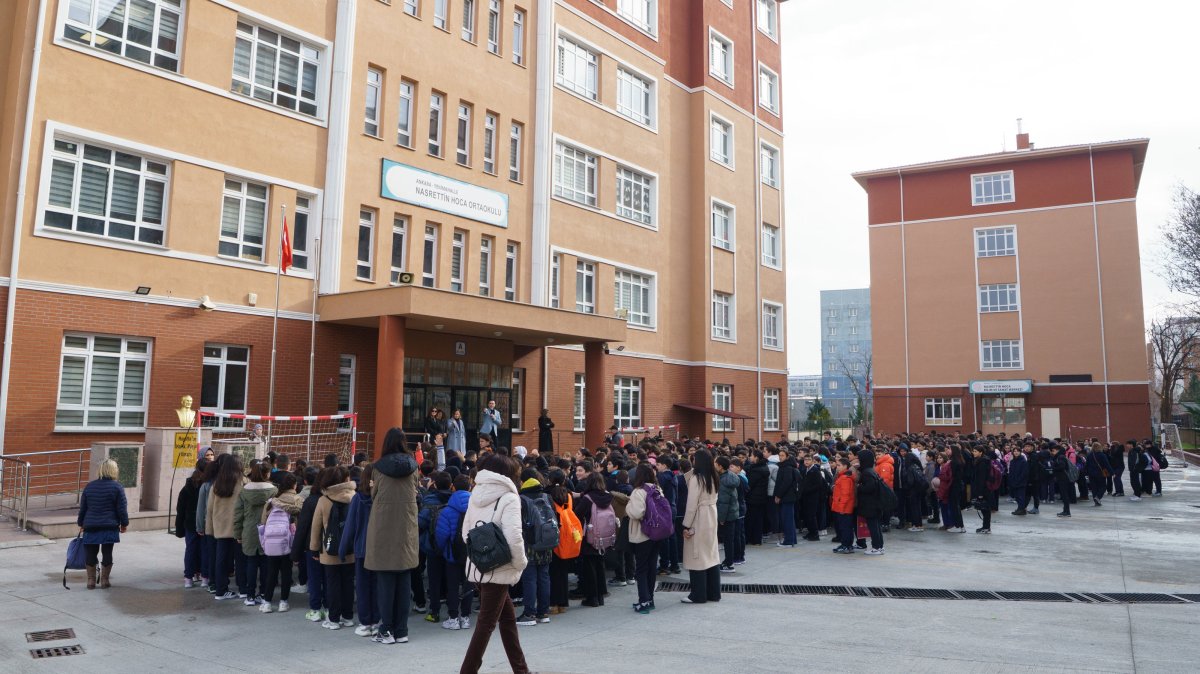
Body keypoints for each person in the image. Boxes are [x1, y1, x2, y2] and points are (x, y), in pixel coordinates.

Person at [460, 453, 531, 674]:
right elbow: (514, 538)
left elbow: (465, 534)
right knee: (486, 624)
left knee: (507, 620)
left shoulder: (475, 494)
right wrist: (520, 563)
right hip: (500, 568)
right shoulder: (509, 498)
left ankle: (521, 670)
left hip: (479, 566)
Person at [366, 428, 420, 644]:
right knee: (404, 580)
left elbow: (374, 494)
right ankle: (402, 630)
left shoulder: (377, 468)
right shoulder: (413, 466)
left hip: (384, 527)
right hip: (406, 527)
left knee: (385, 582)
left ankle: (385, 629)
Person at [310, 466, 357, 631]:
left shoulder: (324, 500)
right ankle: (348, 616)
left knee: (332, 585)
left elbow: (316, 527)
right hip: (351, 549)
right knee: (348, 583)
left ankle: (334, 619)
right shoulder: (354, 497)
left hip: (329, 550)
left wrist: (314, 549)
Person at [77, 458, 129, 590]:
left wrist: (81, 523)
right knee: (107, 552)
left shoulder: (90, 486)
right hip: (109, 525)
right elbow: (121, 509)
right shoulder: (117, 487)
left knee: (91, 553)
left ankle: (90, 581)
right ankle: (105, 580)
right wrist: (124, 524)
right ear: (113, 470)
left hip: (91, 525)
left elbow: (83, 508)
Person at [340, 464, 379, 635]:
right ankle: (377, 619)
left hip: (362, 548)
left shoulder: (357, 499)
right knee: (378, 586)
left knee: (363, 587)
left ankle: (366, 622)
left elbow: (350, 526)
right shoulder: (381, 498)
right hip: (379, 548)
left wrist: (343, 549)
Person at [234, 463, 278, 606]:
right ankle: (264, 593)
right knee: (266, 564)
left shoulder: (244, 491)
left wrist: (238, 534)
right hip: (268, 530)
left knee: (251, 563)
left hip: (249, 530)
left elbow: (238, 514)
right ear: (267, 474)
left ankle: (250, 595)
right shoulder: (274, 490)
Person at [259, 471, 303, 613]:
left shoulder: (272, 502)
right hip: (288, 541)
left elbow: (263, 522)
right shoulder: (298, 500)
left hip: (272, 541)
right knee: (286, 572)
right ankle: (283, 602)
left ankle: (266, 602)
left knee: (271, 572)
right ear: (294, 485)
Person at [681, 448, 721, 604]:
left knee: (696, 554)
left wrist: (686, 525)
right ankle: (713, 592)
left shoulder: (697, 479)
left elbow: (691, 505)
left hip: (699, 516)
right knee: (710, 554)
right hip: (711, 514)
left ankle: (698, 594)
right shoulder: (713, 476)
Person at [207, 455, 246, 601]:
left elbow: (209, 510)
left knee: (221, 561)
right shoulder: (242, 484)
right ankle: (243, 589)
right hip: (238, 529)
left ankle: (220, 590)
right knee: (241, 561)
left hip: (220, 529)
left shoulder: (216, 485)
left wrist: (209, 530)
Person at [626, 463, 663, 613]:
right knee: (651, 567)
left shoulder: (638, 491)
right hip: (657, 533)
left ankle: (644, 601)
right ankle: (650, 599)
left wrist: (628, 506)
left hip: (642, 534)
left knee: (641, 569)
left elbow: (636, 513)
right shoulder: (657, 489)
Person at [573, 473, 615, 607]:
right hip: (604, 537)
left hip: (590, 537)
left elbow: (577, 514)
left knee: (589, 567)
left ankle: (592, 598)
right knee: (599, 565)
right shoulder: (608, 496)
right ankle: (601, 596)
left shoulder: (588, 499)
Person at [175, 458, 207, 588]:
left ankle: (189, 577)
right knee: (204, 549)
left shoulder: (186, 487)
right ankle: (205, 577)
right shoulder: (208, 486)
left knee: (190, 549)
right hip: (204, 522)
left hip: (189, 523)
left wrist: (179, 525)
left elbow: (180, 508)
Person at [855, 449, 886, 554]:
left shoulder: (867, 472)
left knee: (873, 526)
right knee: (876, 526)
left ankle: (876, 547)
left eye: (859, 459)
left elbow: (870, 487)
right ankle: (879, 546)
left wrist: (859, 487)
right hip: (875, 504)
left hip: (870, 505)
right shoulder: (871, 470)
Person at [772, 449, 800, 547]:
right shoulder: (785, 466)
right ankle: (792, 539)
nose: (780, 457)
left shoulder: (787, 467)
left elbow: (785, 483)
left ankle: (788, 541)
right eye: (779, 455)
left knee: (787, 519)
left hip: (787, 497)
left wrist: (778, 495)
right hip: (788, 496)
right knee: (789, 519)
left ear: (787, 457)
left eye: (782, 455)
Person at [830, 457, 856, 553]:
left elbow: (846, 495)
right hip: (843, 507)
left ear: (845, 466)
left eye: (839, 465)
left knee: (845, 527)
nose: (837, 467)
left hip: (844, 508)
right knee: (845, 527)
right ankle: (847, 545)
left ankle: (846, 545)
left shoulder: (845, 478)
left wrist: (841, 508)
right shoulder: (843, 476)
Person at [970, 446, 993, 534]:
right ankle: (985, 526)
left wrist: (980, 493)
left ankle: (987, 528)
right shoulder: (980, 460)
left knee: (985, 508)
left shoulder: (982, 462)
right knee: (984, 508)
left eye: (975, 451)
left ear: (981, 452)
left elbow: (981, 479)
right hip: (983, 488)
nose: (974, 453)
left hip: (984, 489)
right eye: (973, 451)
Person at [1049, 444, 1073, 517]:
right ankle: (1065, 510)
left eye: (1054, 450)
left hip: (1063, 478)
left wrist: (1053, 468)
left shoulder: (1060, 457)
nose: (1053, 452)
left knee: (1064, 495)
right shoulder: (1060, 457)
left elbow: (1062, 467)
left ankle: (1067, 511)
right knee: (1064, 495)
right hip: (1062, 478)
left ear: (1058, 450)